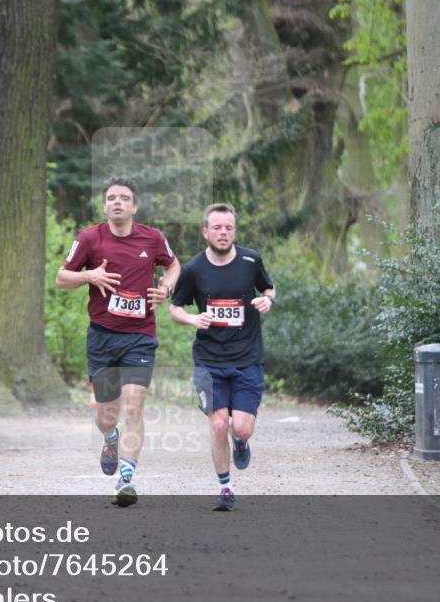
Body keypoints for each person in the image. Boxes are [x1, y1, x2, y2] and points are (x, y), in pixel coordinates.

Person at [55, 177, 180, 507]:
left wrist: (166, 289)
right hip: (102, 338)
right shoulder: (89, 239)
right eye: (111, 197)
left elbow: (173, 266)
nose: (117, 202)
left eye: (124, 198)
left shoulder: (152, 238)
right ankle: (110, 438)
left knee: (135, 406)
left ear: (135, 206)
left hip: (140, 337)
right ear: (105, 205)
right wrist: (90, 275)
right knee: (107, 416)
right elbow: (61, 277)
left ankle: (126, 479)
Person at [169, 203, 275, 511]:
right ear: (206, 232)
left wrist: (267, 300)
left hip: (247, 358)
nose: (223, 233)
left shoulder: (250, 260)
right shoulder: (193, 270)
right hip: (208, 360)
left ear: (235, 231)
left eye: (228, 227)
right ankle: (225, 488)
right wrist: (192, 319)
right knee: (217, 425)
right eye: (217, 227)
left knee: (240, 427)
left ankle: (240, 442)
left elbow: (269, 288)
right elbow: (176, 308)